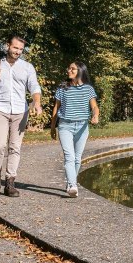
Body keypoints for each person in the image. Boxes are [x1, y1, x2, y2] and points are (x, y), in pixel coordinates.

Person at [0, 35, 43, 197]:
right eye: (15, 48)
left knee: (15, 147)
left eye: (21, 49)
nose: (18, 52)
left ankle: (10, 182)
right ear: (7, 46)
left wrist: (37, 103)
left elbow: (34, 87)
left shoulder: (28, 67)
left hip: (20, 111)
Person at [50, 62, 99, 197]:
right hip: (65, 126)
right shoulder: (62, 88)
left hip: (82, 127)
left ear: (80, 71)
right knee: (69, 156)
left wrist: (95, 115)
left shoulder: (88, 89)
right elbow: (56, 108)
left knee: (77, 158)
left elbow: (94, 106)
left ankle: (71, 181)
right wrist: (53, 127)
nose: (69, 70)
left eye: (72, 68)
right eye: (69, 67)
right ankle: (72, 185)